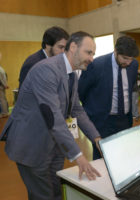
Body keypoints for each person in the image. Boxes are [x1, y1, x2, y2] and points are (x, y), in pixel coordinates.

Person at [0, 31, 102, 200]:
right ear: (73, 47)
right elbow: (53, 116)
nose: (91, 58)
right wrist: (78, 155)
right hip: (31, 145)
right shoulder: (47, 70)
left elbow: (76, 109)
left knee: (56, 191)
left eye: (93, 54)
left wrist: (96, 138)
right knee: (43, 196)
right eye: (88, 52)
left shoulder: (72, 74)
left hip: (53, 145)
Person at [78, 35, 139, 160]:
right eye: (125, 58)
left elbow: (130, 88)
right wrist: (93, 112)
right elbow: (81, 91)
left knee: (124, 157)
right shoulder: (96, 65)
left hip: (124, 121)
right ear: (116, 51)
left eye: (131, 59)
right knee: (102, 159)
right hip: (102, 122)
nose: (128, 62)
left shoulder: (133, 65)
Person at [0, 52, 9, 117]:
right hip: (1, 86)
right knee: (3, 99)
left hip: (1, 86)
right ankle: (5, 112)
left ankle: (4, 113)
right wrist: (5, 85)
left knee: (2, 99)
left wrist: (5, 84)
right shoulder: (0, 68)